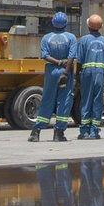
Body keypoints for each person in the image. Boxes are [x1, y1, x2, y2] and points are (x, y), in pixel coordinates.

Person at [28, 11, 77, 142]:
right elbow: (72, 57)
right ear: (66, 23)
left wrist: (56, 62)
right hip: (65, 71)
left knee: (48, 99)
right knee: (64, 100)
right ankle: (59, 132)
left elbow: (45, 55)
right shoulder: (71, 37)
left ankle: (36, 131)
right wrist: (65, 72)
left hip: (51, 71)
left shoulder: (46, 38)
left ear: (53, 23)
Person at [75, 14, 104, 140]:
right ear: (101, 27)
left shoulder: (83, 40)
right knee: (97, 102)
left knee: (86, 101)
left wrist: (77, 78)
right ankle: (94, 131)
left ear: (88, 25)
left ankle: (84, 131)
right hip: (101, 74)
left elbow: (79, 61)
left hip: (87, 73)